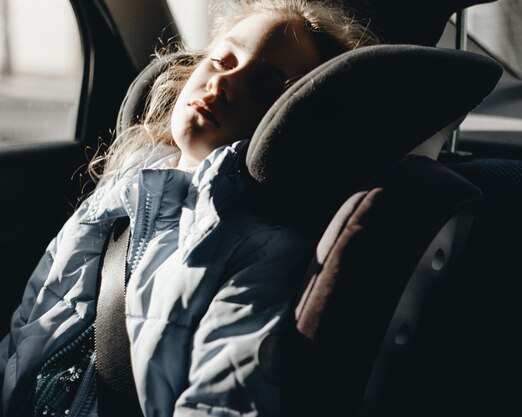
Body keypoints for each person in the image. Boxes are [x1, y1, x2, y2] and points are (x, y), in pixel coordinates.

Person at [0, 1, 379, 416]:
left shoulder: (264, 250)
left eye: (264, 88)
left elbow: (222, 403)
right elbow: (27, 331)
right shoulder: (112, 197)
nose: (223, 83)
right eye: (221, 60)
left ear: (293, 128)